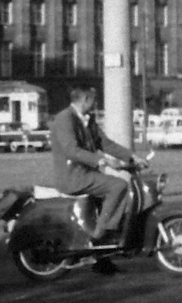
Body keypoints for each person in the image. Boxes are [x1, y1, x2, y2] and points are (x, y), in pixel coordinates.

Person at [49, 83, 136, 240]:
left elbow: (105, 143)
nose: (95, 103)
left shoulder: (87, 119)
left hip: (86, 174)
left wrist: (131, 157)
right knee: (118, 186)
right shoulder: (65, 119)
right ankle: (102, 234)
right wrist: (103, 161)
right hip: (73, 177)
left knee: (109, 196)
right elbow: (71, 150)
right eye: (93, 99)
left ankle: (102, 259)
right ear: (86, 99)